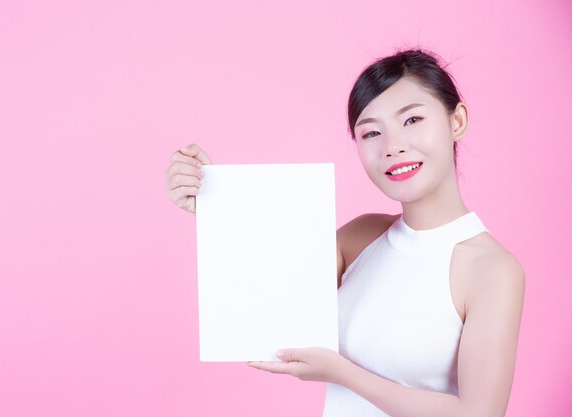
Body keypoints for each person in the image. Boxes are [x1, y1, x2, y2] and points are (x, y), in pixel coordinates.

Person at [163, 48, 525, 417]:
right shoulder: (361, 237)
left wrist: (344, 374)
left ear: (457, 120)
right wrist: (213, 202)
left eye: (412, 119)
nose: (393, 146)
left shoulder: (491, 270)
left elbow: (480, 413)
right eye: (371, 132)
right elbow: (267, 290)